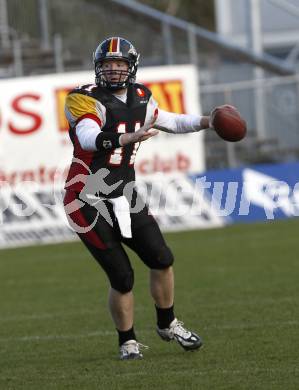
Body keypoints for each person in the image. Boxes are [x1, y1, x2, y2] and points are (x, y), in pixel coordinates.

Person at [63, 36, 212, 360]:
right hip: (85, 200)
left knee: (162, 258)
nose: (114, 70)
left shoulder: (142, 96)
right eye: (107, 64)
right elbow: (88, 138)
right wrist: (126, 137)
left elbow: (170, 120)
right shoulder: (82, 98)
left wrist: (207, 121)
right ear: (97, 68)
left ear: (131, 67)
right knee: (122, 276)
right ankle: (127, 341)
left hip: (124, 194)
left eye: (120, 64)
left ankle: (167, 322)